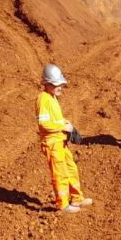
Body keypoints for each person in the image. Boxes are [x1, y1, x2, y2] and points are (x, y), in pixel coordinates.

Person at [35, 64, 90, 214]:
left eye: (61, 84)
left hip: (61, 141)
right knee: (60, 174)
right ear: (47, 83)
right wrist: (63, 126)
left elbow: (56, 119)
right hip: (52, 143)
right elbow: (44, 124)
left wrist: (68, 124)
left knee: (71, 169)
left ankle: (77, 198)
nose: (60, 87)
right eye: (56, 84)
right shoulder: (43, 99)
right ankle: (63, 205)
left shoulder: (52, 97)